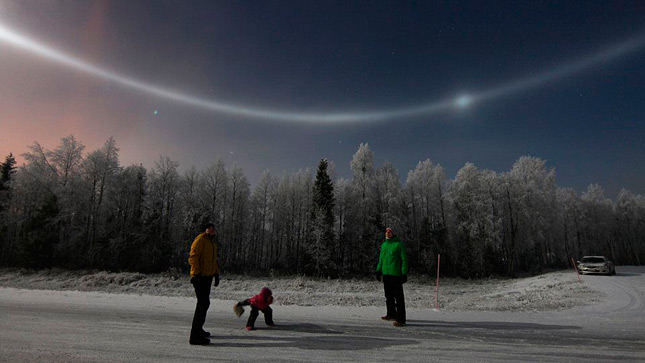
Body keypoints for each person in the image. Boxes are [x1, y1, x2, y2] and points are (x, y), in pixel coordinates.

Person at [188, 222, 220, 345]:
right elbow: (193, 257)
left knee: (205, 304)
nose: (211, 230)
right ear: (204, 230)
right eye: (209, 228)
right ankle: (194, 336)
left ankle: (199, 330)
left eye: (213, 229)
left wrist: (216, 274)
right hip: (200, 277)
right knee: (202, 304)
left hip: (208, 277)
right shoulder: (200, 240)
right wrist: (196, 274)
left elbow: (213, 261)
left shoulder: (212, 244)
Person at [375, 227, 408, 327]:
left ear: (393, 233)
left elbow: (404, 259)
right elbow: (381, 259)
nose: (388, 233)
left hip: (396, 274)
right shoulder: (384, 245)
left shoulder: (398, 245)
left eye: (390, 232)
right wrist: (378, 270)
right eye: (386, 232)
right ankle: (391, 314)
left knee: (398, 297)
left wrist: (404, 273)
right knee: (388, 295)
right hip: (386, 274)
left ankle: (401, 319)